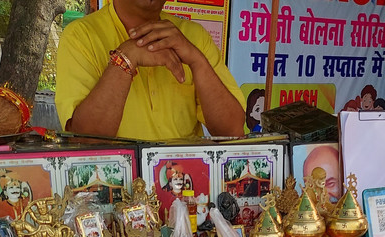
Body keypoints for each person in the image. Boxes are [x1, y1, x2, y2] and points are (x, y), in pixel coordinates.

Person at [56, 0, 245, 140]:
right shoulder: (80, 36)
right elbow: (84, 140)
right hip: (117, 187)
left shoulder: (194, 36)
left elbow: (232, 131)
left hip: (183, 185)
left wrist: (196, 61)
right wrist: (126, 58)